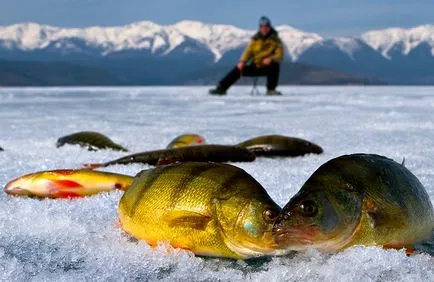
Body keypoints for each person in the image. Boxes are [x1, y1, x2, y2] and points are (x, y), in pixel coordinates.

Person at [209, 16, 284, 96]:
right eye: (262, 27)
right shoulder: (255, 39)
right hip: (255, 66)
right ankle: (222, 88)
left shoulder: (276, 40)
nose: (264, 29)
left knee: (275, 65)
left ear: (269, 27)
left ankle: (271, 90)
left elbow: (280, 55)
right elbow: (248, 52)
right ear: (260, 28)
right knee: (238, 68)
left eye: (266, 27)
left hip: (267, 67)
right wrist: (243, 61)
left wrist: (271, 59)